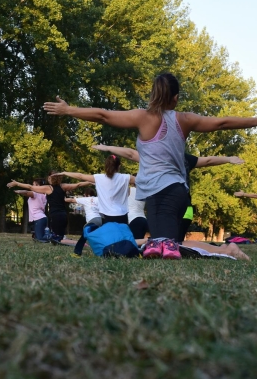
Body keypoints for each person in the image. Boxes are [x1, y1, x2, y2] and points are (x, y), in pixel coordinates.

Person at [44, 73, 257, 259]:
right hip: (178, 192)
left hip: (161, 193)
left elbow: (103, 115)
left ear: (153, 94)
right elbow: (222, 123)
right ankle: (224, 250)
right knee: (163, 243)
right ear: (175, 98)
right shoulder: (185, 119)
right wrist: (254, 121)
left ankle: (226, 251)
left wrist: (69, 110)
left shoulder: (142, 117)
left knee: (167, 244)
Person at [93, 144, 244, 241]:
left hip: (165, 205)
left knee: (165, 241)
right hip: (186, 206)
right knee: (177, 241)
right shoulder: (186, 159)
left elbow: (131, 154)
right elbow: (209, 161)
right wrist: (228, 159)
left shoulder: (157, 158)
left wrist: (108, 148)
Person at [7, 171, 91, 242]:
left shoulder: (48, 188)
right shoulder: (63, 186)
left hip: (55, 215)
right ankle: (58, 237)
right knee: (59, 237)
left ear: (50, 178)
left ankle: (54, 237)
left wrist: (17, 183)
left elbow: (30, 187)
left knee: (55, 237)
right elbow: (78, 184)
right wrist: (91, 181)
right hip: (64, 215)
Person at [52, 155, 134, 225]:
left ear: (106, 166)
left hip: (107, 215)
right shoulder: (126, 177)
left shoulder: (99, 178)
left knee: (110, 239)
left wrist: (64, 173)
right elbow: (141, 182)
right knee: (122, 238)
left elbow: (80, 176)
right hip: (122, 214)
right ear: (119, 166)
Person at [65, 187, 102, 257]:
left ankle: (77, 252)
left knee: (84, 236)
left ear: (87, 195)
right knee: (96, 236)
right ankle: (102, 251)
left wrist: (61, 198)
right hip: (100, 220)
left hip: (92, 220)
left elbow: (72, 200)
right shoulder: (98, 199)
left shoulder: (86, 199)